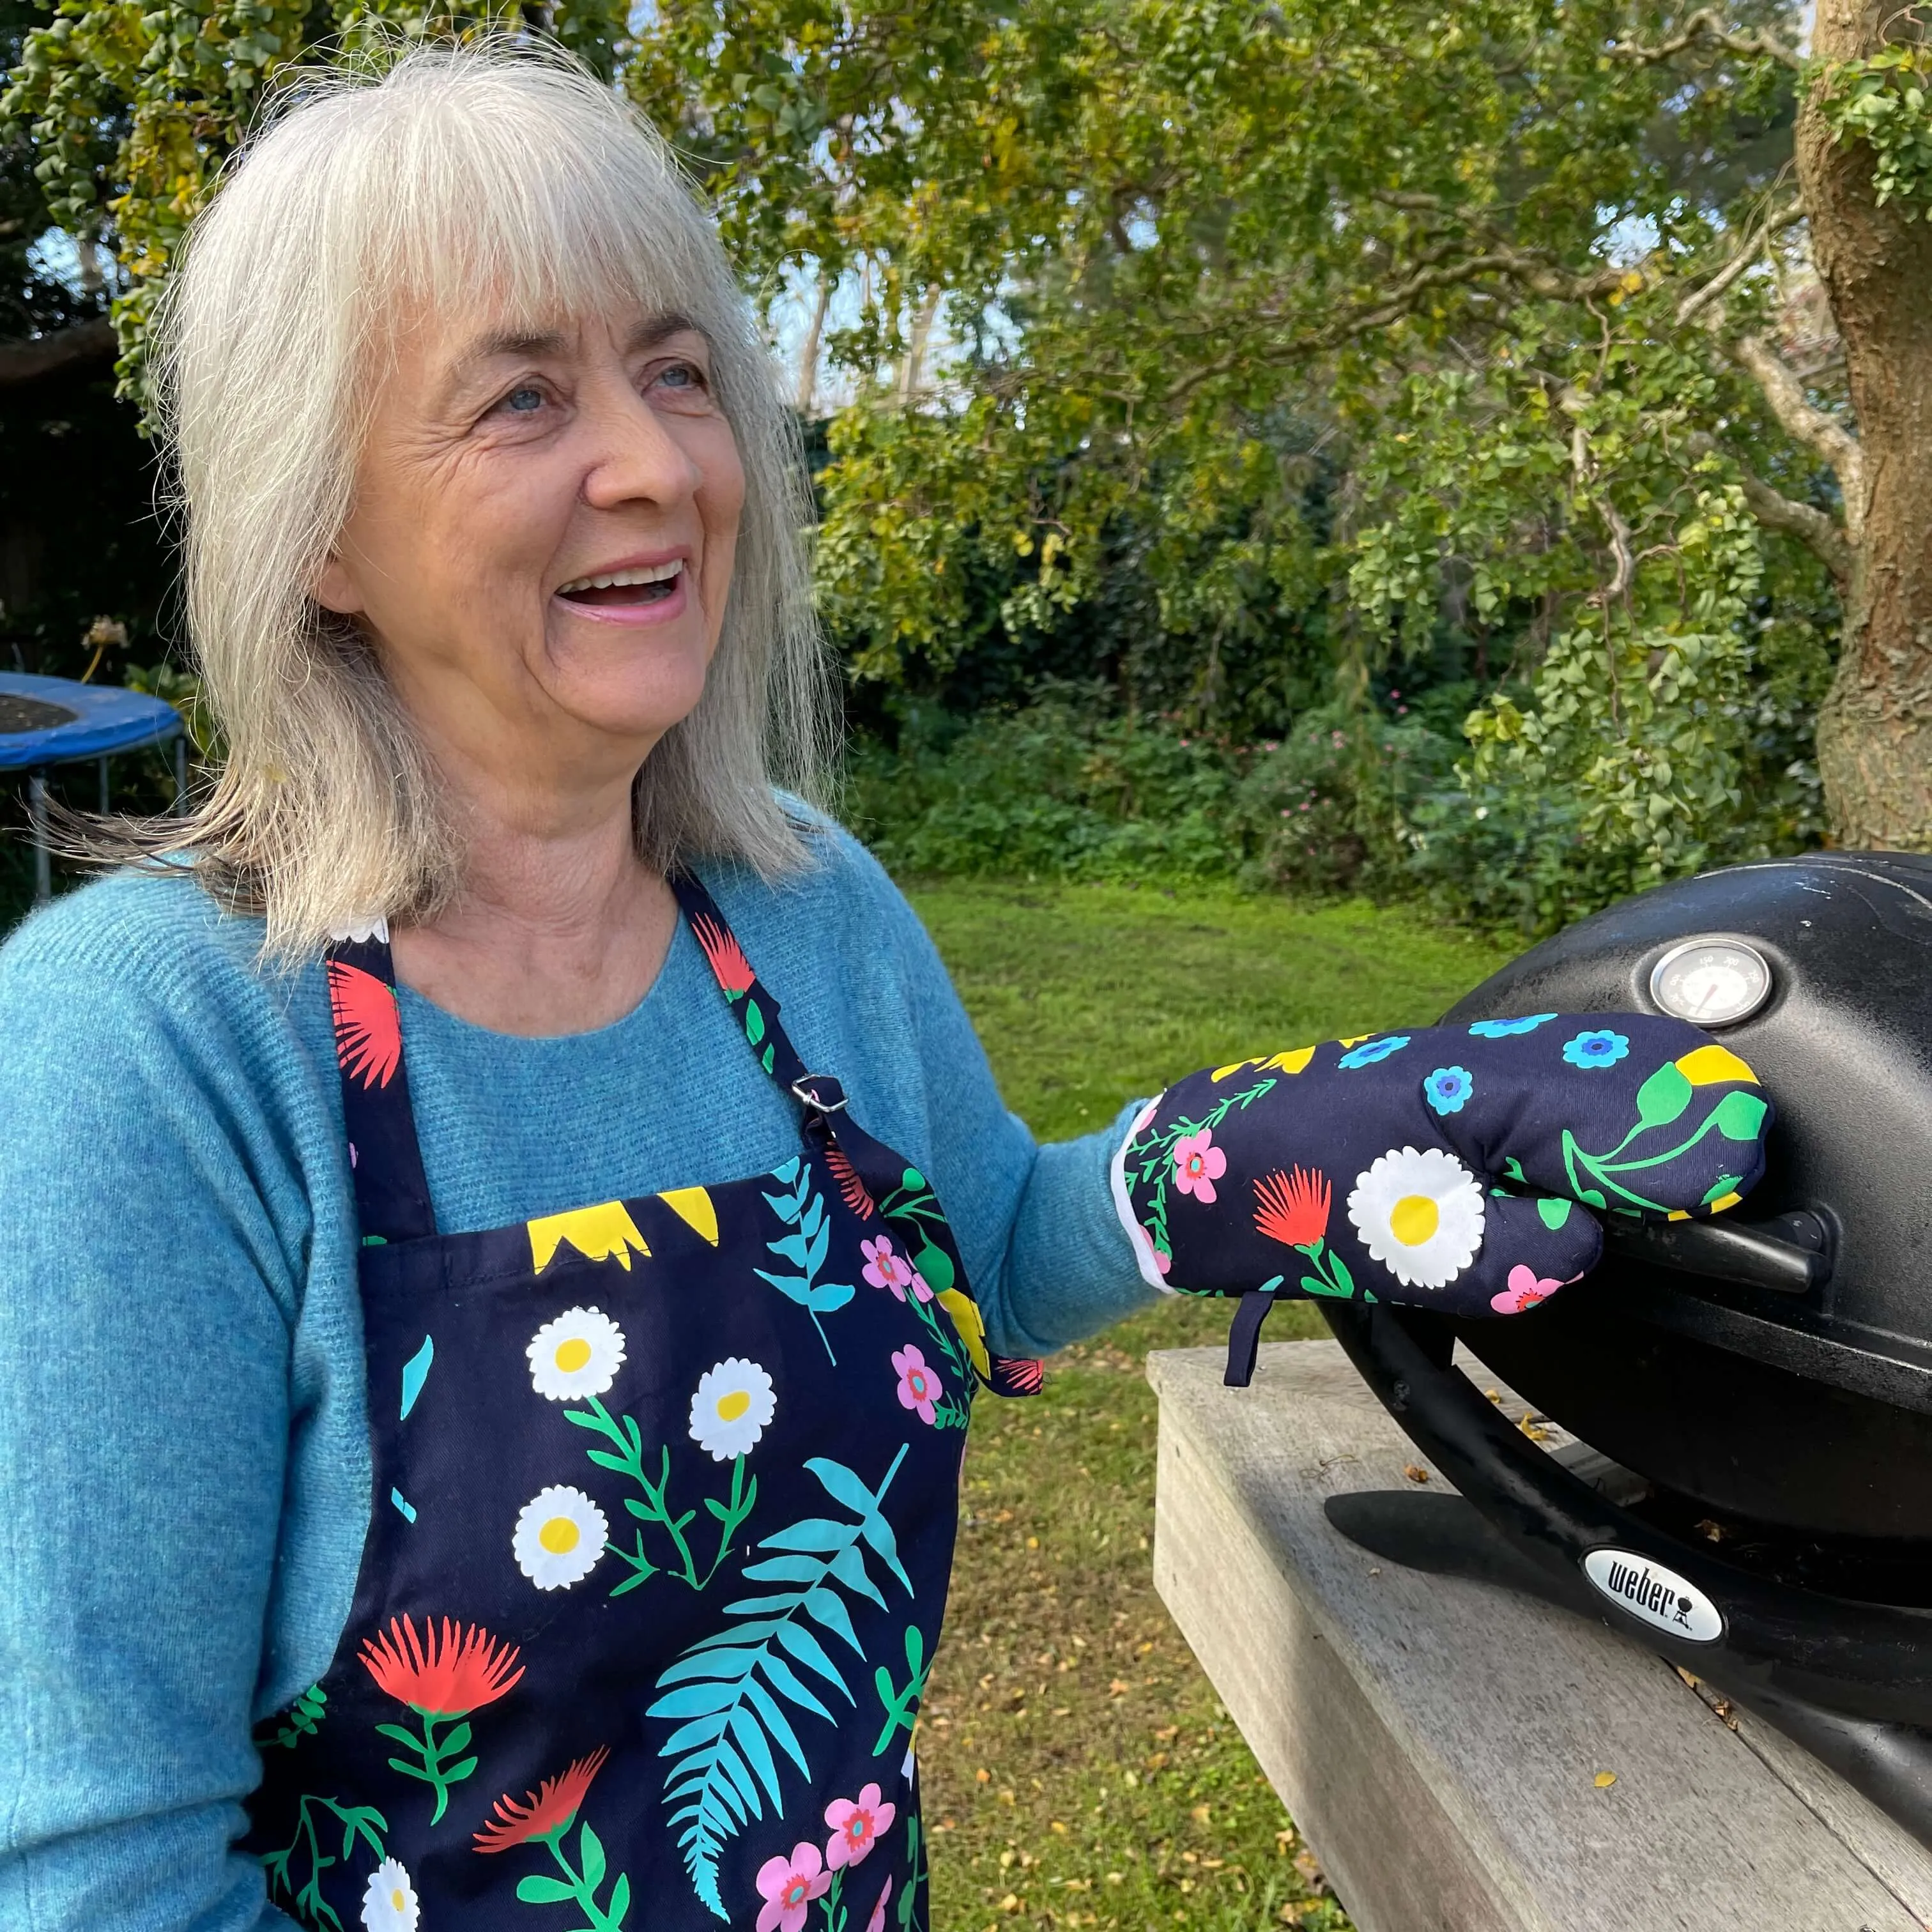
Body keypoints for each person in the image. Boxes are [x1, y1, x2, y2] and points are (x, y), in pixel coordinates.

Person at [0, 42, 1771, 1932]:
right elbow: (94, 1869)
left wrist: (1246, 1161)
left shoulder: (794, 905)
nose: (660, 463)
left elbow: (979, 1245)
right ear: (322, 528)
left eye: (680, 373)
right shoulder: (154, 1043)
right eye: (523, 398)